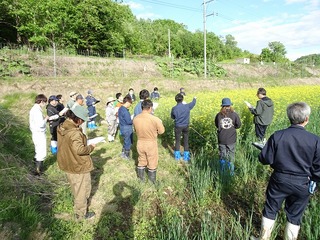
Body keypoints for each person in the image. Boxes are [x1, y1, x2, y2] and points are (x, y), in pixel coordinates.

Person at [252, 102, 320, 240]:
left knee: (271, 209)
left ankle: (264, 238)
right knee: (295, 215)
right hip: (303, 183)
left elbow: (265, 158)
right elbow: (318, 166)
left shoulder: (278, 136)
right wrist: (315, 179)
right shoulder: (315, 140)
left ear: (289, 117)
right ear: (306, 119)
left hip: (279, 179)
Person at [57, 105, 96, 220]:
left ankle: (80, 208)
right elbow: (80, 150)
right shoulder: (75, 133)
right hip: (78, 165)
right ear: (78, 119)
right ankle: (81, 215)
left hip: (68, 162)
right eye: (82, 120)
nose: (82, 123)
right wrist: (91, 147)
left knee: (76, 188)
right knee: (81, 191)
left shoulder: (62, 126)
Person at [133, 100, 165, 183]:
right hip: (151, 143)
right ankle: (152, 181)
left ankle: (141, 179)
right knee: (152, 161)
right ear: (150, 108)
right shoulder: (155, 119)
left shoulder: (135, 119)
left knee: (141, 160)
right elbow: (161, 131)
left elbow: (135, 131)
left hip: (140, 142)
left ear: (142, 107)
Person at [214, 98, 241, 174]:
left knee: (222, 154)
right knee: (231, 154)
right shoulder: (234, 114)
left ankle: (222, 172)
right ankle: (231, 172)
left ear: (222, 106)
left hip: (221, 138)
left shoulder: (218, 115)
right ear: (230, 105)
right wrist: (233, 127)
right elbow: (239, 125)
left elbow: (216, 125)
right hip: (231, 139)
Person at [171, 93, 196, 161]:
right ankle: (186, 156)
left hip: (178, 126)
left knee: (177, 140)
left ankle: (177, 156)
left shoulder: (174, 108)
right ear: (182, 99)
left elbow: (172, 117)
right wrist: (194, 98)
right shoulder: (187, 106)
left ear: (176, 100)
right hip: (186, 126)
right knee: (186, 140)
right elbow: (193, 103)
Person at [29, 94, 49, 175]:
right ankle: (38, 171)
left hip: (35, 133)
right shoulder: (37, 111)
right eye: (44, 102)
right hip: (39, 133)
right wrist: (46, 119)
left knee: (38, 151)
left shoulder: (34, 109)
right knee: (42, 152)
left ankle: (37, 168)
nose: (45, 104)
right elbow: (40, 124)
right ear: (41, 101)